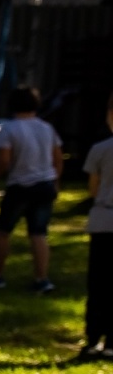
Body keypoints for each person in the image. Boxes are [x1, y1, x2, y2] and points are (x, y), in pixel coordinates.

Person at [0, 85, 62, 293]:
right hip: (44, 184)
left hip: (20, 185)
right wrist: (55, 180)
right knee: (39, 233)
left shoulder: (10, 129)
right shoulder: (46, 128)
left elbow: (4, 160)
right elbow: (58, 157)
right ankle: (42, 278)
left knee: (3, 231)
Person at [81, 93, 113, 359]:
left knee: (98, 283)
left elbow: (93, 188)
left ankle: (93, 338)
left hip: (104, 220)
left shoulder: (100, 149)